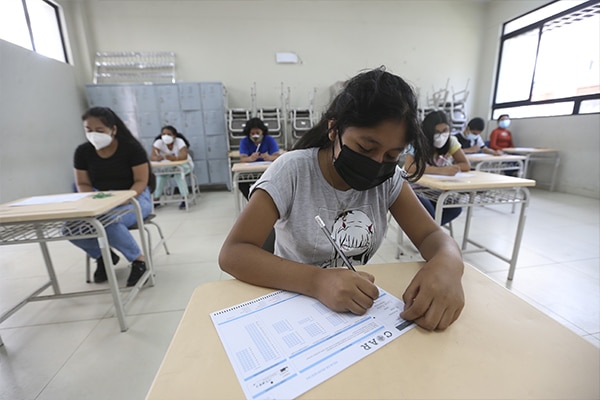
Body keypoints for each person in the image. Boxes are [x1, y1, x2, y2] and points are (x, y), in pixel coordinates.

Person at [219, 67, 464, 331]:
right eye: (365, 148)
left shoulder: (388, 180)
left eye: (391, 155)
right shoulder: (292, 171)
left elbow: (431, 236)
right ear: (334, 129)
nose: (377, 163)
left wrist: (448, 264)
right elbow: (234, 253)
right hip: (291, 303)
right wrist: (317, 281)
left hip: (348, 312)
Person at [70, 107, 151, 287]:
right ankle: (103, 257)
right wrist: (94, 200)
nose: (93, 135)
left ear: (113, 130)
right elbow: (82, 183)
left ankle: (139, 260)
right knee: (71, 228)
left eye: (99, 130)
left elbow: (140, 181)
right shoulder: (83, 152)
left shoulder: (131, 148)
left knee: (108, 221)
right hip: (102, 198)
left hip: (135, 197)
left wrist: (124, 198)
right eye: (88, 130)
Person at [403, 110, 471, 226]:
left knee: (455, 208)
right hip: (414, 188)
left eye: (445, 131)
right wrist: (440, 170)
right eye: (437, 132)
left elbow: (466, 164)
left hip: (435, 189)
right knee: (430, 213)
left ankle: (429, 229)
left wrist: (454, 168)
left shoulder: (451, 141)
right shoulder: (417, 141)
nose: (441, 135)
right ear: (428, 132)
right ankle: (430, 230)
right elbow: (409, 167)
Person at [150, 125, 194, 210]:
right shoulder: (159, 142)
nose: (165, 136)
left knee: (178, 174)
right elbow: (152, 157)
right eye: (163, 134)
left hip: (184, 165)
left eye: (169, 134)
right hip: (169, 166)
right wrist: (157, 158)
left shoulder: (179, 141)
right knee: (161, 175)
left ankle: (184, 198)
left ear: (174, 136)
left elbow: (184, 156)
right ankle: (156, 199)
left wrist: (173, 158)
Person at [237, 117, 281, 199]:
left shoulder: (269, 140)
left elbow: (277, 156)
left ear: (262, 132)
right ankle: (252, 200)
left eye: (257, 132)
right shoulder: (245, 141)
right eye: (252, 133)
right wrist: (250, 158)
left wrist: (269, 157)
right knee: (241, 183)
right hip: (250, 172)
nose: (255, 135)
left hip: (267, 171)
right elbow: (242, 159)